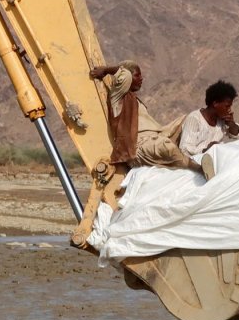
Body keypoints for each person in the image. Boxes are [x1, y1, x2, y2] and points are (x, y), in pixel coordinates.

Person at [72, 60, 201, 246]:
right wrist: (107, 70)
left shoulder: (135, 100)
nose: (142, 78)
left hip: (157, 136)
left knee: (187, 119)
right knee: (166, 148)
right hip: (139, 145)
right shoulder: (118, 98)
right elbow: (123, 74)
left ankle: (194, 154)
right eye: (138, 75)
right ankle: (194, 166)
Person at [179, 80, 239, 159]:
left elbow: (235, 134)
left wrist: (231, 123)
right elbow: (184, 150)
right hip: (195, 163)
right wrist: (207, 150)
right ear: (215, 103)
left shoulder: (221, 121)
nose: (229, 110)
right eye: (227, 106)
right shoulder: (194, 119)